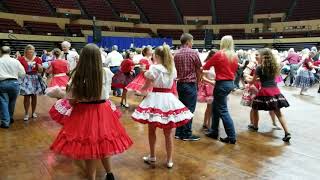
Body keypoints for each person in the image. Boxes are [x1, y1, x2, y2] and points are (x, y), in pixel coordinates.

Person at [49, 44, 133, 180]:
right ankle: (110, 173)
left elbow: (71, 100)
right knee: (104, 141)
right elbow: (106, 93)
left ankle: (92, 177)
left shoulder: (77, 74)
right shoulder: (106, 72)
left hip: (83, 112)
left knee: (89, 146)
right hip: (103, 110)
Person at [131, 45, 194, 168]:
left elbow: (146, 86)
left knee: (151, 130)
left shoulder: (154, 68)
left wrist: (140, 92)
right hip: (168, 99)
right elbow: (171, 85)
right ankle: (169, 160)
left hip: (154, 98)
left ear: (157, 56)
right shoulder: (172, 69)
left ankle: (153, 156)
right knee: (168, 132)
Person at [204, 35, 238, 144]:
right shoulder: (234, 56)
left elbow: (206, 66)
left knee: (223, 110)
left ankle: (231, 136)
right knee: (215, 107)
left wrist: (200, 69)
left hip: (221, 84)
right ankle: (214, 131)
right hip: (230, 83)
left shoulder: (220, 54)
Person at [251, 48, 291, 142]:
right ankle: (287, 132)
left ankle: (255, 126)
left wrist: (247, 78)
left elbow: (253, 81)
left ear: (262, 57)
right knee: (279, 113)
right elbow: (269, 78)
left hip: (265, 91)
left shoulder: (259, 67)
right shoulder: (274, 66)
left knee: (254, 108)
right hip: (275, 90)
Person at [174, 33, 202, 141]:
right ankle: (186, 134)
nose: (192, 43)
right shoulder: (193, 52)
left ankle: (179, 132)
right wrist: (198, 82)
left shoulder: (176, 54)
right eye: (192, 41)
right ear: (187, 42)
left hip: (180, 84)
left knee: (181, 109)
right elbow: (199, 69)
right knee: (189, 110)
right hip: (190, 84)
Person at [242, 50, 279, 131]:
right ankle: (253, 123)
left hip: (265, 86)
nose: (256, 56)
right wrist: (253, 79)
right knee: (254, 106)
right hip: (254, 86)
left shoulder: (267, 64)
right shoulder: (253, 64)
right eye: (255, 55)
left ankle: (274, 122)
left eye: (258, 55)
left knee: (271, 106)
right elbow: (245, 74)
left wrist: (256, 78)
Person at [0, 46, 26, 128]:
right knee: (12, 102)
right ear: (10, 52)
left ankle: (5, 122)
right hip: (14, 83)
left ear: (0, 52)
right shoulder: (16, 61)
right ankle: (10, 118)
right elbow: (22, 73)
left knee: (3, 102)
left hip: (2, 83)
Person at [18, 45, 45, 121]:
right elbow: (18, 69)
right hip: (25, 78)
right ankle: (26, 113)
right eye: (29, 49)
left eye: (32, 50)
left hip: (35, 78)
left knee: (34, 96)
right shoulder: (21, 59)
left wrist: (40, 67)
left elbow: (40, 70)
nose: (31, 51)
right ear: (26, 50)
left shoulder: (37, 59)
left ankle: (33, 112)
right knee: (26, 96)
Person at [197, 50, 217, 130]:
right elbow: (202, 77)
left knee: (211, 107)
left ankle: (207, 123)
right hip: (209, 87)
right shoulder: (207, 64)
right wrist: (212, 82)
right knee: (210, 107)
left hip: (215, 86)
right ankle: (208, 124)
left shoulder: (217, 64)